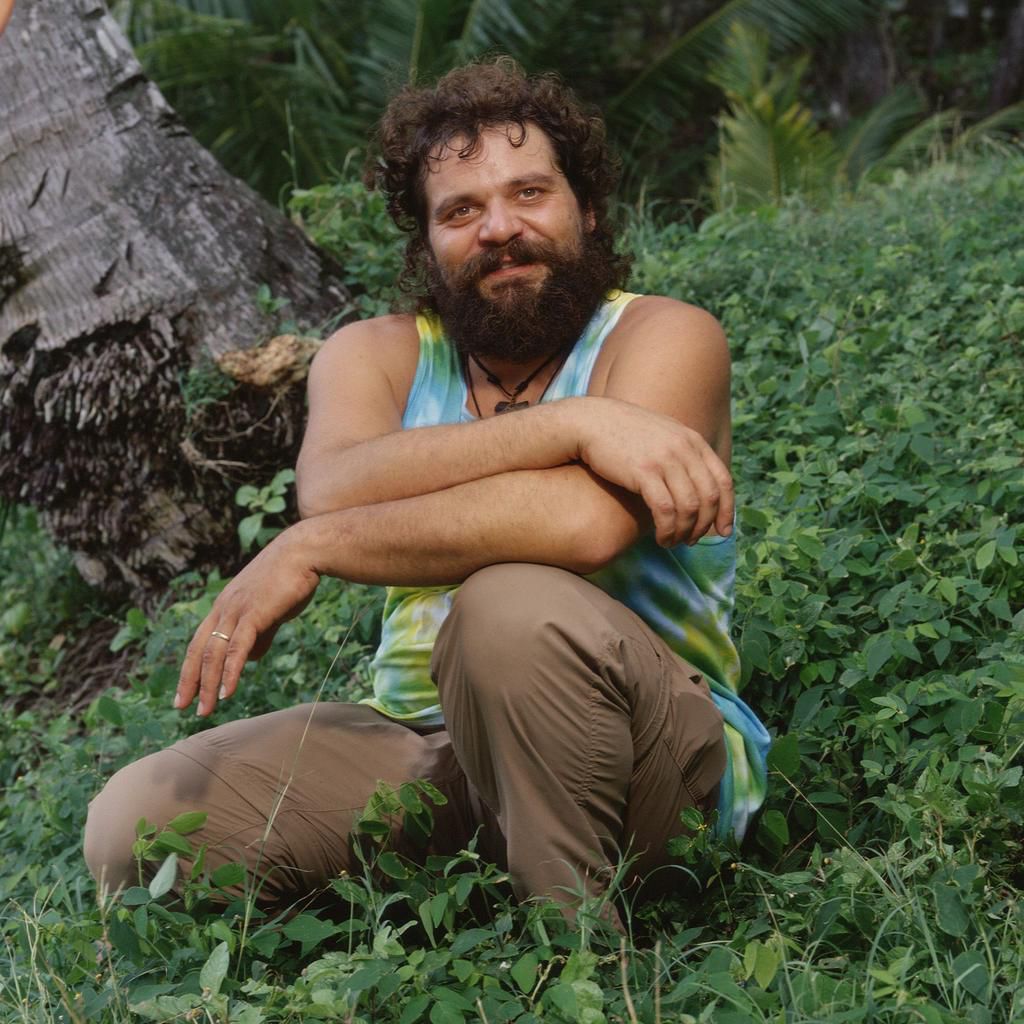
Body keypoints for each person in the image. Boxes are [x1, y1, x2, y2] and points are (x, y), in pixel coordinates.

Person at [84, 59, 770, 918]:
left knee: (508, 609)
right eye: (460, 211)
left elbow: (585, 524)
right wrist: (577, 426)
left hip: (649, 758)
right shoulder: (375, 355)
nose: (500, 228)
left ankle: (581, 956)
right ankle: (453, 907)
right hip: (429, 748)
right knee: (140, 821)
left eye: (529, 193)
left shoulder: (664, 336)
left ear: (587, 209)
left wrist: (319, 545)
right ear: (426, 243)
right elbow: (333, 486)